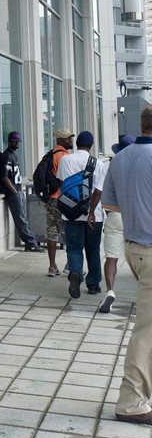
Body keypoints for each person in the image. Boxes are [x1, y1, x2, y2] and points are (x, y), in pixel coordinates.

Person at [99, 106, 152, 424]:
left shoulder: (120, 158)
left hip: (133, 248)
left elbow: (109, 202)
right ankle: (130, 402)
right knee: (146, 330)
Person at [55, 131, 106, 299]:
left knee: (75, 248)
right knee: (93, 249)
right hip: (94, 214)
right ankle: (93, 285)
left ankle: (76, 273)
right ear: (91, 145)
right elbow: (98, 192)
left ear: (77, 144)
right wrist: (91, 212)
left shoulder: (65, 160)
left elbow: (63, 182)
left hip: (70, 213)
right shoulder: (98, 163)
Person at [87, 134, 135, 313]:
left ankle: (110, 291)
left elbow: (100, 193)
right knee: (142, 256)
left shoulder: (111, 166)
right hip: (135, 217)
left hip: (114, 216)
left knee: (111, 258)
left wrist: (92, 212)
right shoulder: (141, 164)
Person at [0, 131, 40, 251]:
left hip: (19, 190)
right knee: (21, 219)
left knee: (24, 218)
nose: (16, 143)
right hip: (13, 193)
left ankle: (32, 242)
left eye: (18, 141)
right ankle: (31, 244)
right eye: (14, 141)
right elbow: (4, 177)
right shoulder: (6, 156)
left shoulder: (13, 155)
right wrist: (15, 192)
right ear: (9, 141)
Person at [44, 128, 75, 277]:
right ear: (60, 140)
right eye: (68, 138)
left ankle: (52, 266)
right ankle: (70, 264)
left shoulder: (50, 155)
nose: (71, 140)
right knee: (69, 231)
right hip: (63, 199)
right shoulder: (64, 156)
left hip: (51, 199)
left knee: (52, 232)